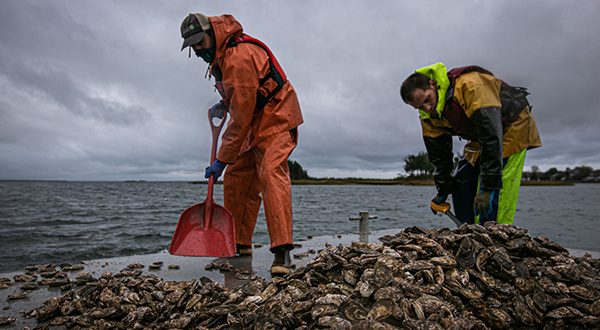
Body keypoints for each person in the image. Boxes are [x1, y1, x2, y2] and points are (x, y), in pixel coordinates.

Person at [180, 13, 303, 275]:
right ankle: (238, 244)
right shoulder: (221, 58)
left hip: (277, 116)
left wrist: (221, 160)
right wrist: (225, 104)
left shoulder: (238, 57)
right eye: (193, 46)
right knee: (237, 178)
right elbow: (241, 101)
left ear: (213, 33)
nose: (198, 49)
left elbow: (242, 115)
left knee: (270, 173)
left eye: (200, 41)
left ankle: (282, 252)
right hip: (254, 121)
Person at [400, 62, 541, 225]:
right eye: (420, 107)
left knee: (495, 190)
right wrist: (443, 189)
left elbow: (492, 135)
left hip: (511, 126)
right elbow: (439, 155)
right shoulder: (428, 115)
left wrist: (487, 188)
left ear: (433, 85)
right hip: (480, 135)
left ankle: (495, 236)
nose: (427, 108)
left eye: (427, 100)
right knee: (463, 180)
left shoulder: (471, 85)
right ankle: (467, 232)